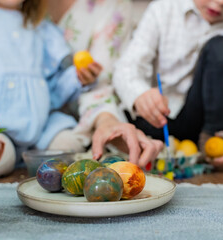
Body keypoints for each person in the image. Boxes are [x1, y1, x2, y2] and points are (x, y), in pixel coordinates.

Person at [113, 0, 223, 168]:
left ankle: (210, 151)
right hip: (155, 120)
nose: (221, 2)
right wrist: (139, 94)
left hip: (204, 132)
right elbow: (127, 67)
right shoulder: (163, 9)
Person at [0, 0, 96, 178]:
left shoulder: (40, 27)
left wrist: (78, 78)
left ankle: (42, 169)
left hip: (41, 128)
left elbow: (53, 91)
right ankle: (8, 158)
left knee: (70, 145)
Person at [47, 0, 163, 167]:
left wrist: (107, 121)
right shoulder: (10, 8)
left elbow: (100, 85)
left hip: (66, 129)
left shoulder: (113, 6)